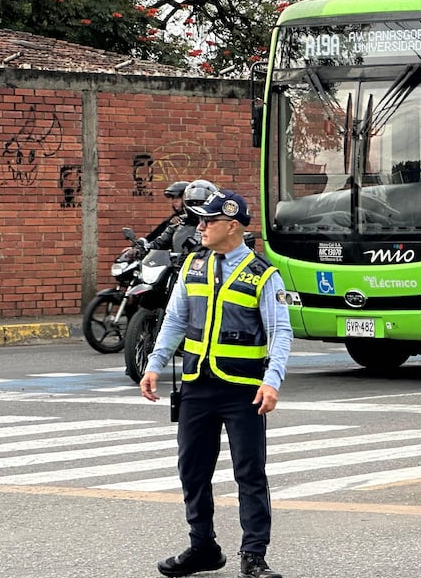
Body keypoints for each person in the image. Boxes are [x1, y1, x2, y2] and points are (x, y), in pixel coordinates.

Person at [139, 190, 291, 578]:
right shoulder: (193, 265)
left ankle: (254, 555)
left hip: (243, 390)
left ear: (233, 226)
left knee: (249, 473)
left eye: (209, 221)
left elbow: (280, 331)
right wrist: (155, 364)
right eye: (201, 220)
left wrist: (272, 381)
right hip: (197, 385)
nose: (201, 227)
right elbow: (175, 320)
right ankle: (203, 547)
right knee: (192, 470)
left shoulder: (262, 274)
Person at [143, 179, 217, 254]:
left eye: (200, 203)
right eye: (192, 203)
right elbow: (157, 243)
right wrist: (144, 247)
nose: (196, 207)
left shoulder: (217, 226)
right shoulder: (179, 223)